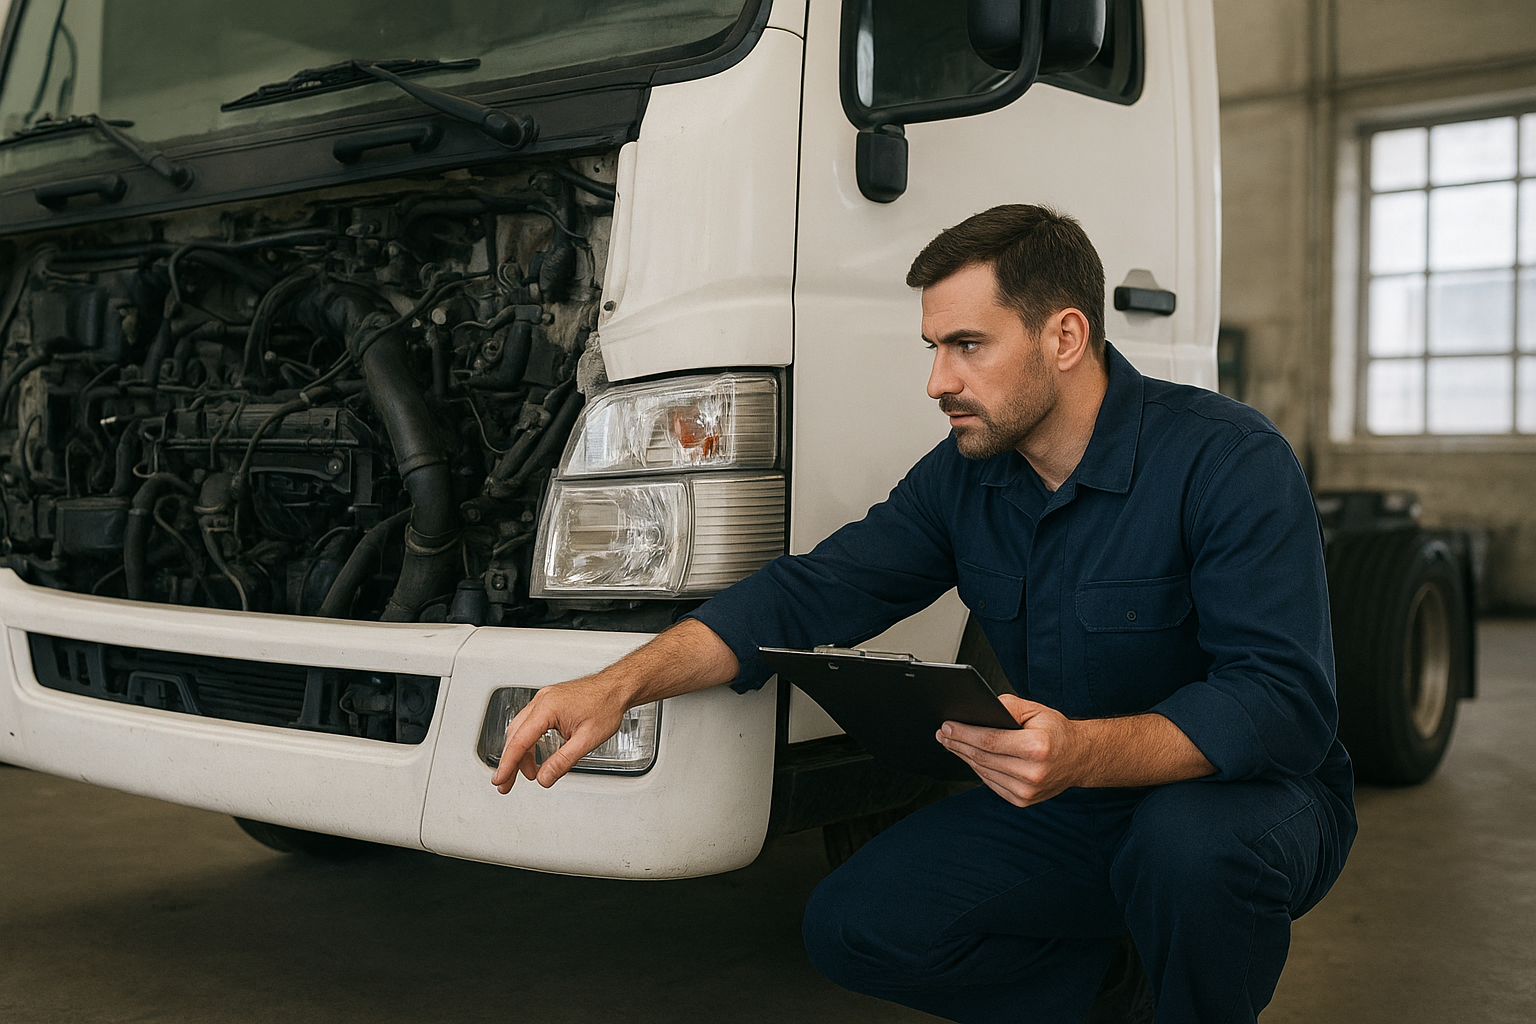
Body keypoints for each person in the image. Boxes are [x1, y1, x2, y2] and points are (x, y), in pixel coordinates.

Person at [492, 204, 1357, 1024]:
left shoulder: (1230, 460)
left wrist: (1083, 751)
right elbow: (809, 591)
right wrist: (617, 685)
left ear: (1065, 336)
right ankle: (1123, 995)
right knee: (856, 923)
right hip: (1077, 795)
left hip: (1247, 798)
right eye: (934, 346)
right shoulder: (965, 476)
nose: (938, 381)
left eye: (968, 345)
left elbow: (1282, 702)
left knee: (1184, 853)